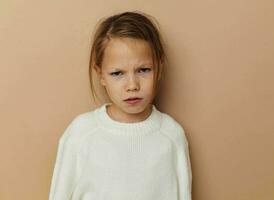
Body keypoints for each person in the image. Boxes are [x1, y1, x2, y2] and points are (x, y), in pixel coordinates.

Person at [48, 11, 192, 200]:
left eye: (143, 70)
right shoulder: (81, 133)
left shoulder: (172, 135)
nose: (132, 85)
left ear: (159, 68)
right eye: (117, 73)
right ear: (100, 74)